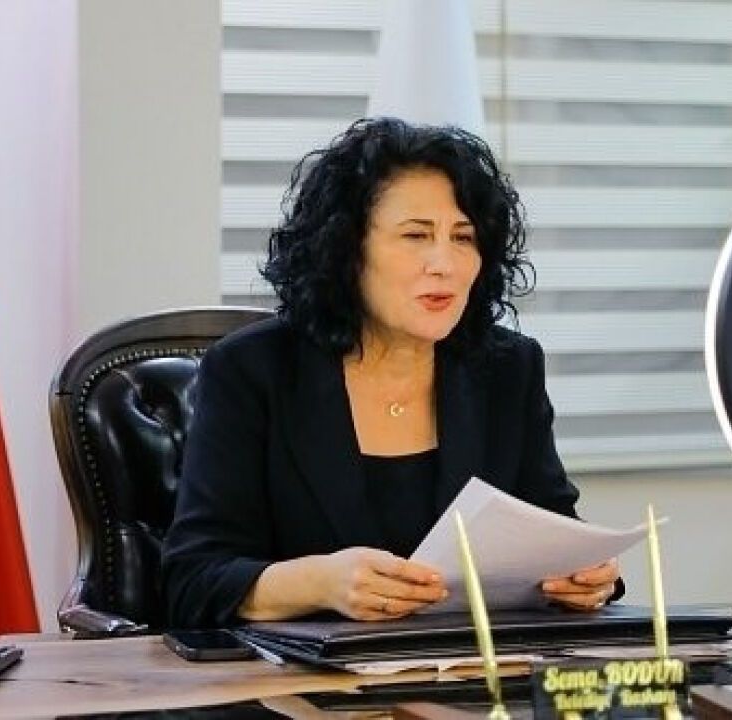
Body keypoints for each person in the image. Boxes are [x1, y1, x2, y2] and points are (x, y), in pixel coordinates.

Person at [161, 117, 621, 628]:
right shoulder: (252, 371)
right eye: (415, 236)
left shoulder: (508, 369)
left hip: (469, 668)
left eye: (464, 237)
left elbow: (556, 533)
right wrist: (320, 582)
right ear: (346, 248)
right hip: (304, 675)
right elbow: (191, 581)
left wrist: (586, 578)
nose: (444, 263)